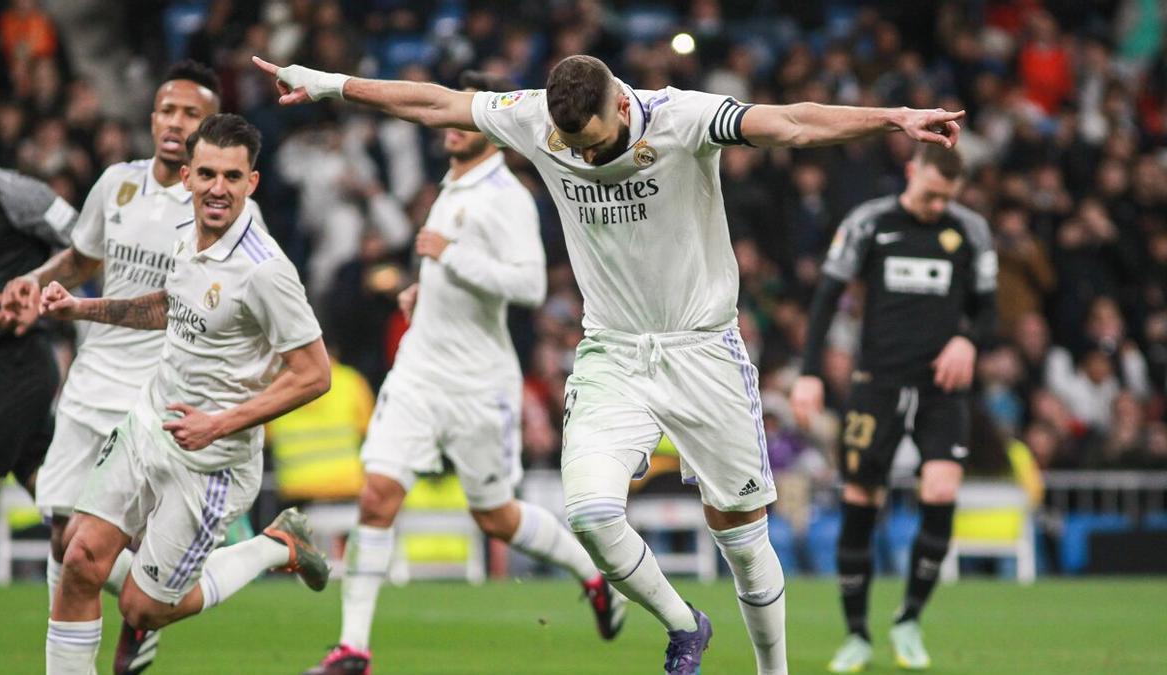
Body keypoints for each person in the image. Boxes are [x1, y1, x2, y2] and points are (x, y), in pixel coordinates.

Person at [254, 53, 963, 675]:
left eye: (594, 143)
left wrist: (892, 118)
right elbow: (433, 101)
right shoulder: (537, 118)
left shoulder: (682, 118)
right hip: (614, 350)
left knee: (743, 539)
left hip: (702, 348)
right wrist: (329, 85)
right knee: (591, 512)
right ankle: (685, 623)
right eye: (572, 148)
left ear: (620, 105)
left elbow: (793, 123)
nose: (585, 158)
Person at [302, 70, 624, 675]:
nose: (449, 126)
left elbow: (528, 284)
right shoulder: (451, 186)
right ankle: (353, 648)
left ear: (491, 129)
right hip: (421, 370)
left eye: (463, 117)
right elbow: (457, 270)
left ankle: (591, 573)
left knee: (496, 515)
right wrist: (426, 289)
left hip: (480, 384)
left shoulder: (507, 198)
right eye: (447, 115)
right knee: (377, 496)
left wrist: (449, 256)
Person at [40, 114, 332, 675]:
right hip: (149, 423)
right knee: (78, 557)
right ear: (187, 179)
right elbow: (171, 307)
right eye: (206, 174)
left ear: (252, 183)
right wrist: (82, 307)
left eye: (231, 176)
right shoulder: (186, 236)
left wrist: (218, 425)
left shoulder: (265, 270)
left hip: (211, 462)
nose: (217, 188)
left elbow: (314, 373)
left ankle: (279, 545)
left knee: (142, 608)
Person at [0, 60, 241, 674]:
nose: (175, 122)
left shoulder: (211, 207)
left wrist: (83, 307)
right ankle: (138, 619)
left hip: (153, 386)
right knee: (61, 534)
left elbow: (181, 306)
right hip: (91, 375)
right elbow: (81, 257)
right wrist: (34, 280)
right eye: (167, 110)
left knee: (92, 543)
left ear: (208, 126)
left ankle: (122, 628)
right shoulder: (117, 184)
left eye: (190, 113)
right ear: (152, 117)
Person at [790, 145, 997, 672]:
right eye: (930, 194)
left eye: (946, 198)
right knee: (862, 496)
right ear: (912, 171)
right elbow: (826, 298)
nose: (936, 207)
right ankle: (856, 632)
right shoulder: (869, 223)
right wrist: (810, 372)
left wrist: (969, 340)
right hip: (876, 383)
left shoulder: (969, 230)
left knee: (942, 488)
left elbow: (988, 306)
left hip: (940, 387)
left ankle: (908, 619)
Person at [0, 85, 77, 579]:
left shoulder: (17, 194)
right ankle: (142, 581)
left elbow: (89, 244)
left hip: (19, 360)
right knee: (64, 510)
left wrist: (42, 296)